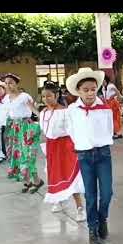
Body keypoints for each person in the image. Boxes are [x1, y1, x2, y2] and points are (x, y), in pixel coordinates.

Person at [65, 67, 114, 244]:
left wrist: (101, 142)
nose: (90, 93)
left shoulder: (104, 108)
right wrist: (80, 145)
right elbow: (70, 130)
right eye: (85, 90)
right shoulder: (72, 110)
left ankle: (103, 219)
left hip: (103, 153)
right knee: (91, 195)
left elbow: (110, 129)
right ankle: (92, 228)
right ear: (78, 91)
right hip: (84, 155)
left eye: (93, 89)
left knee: (107, 192)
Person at [37, 84, 86, 219]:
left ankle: (80, 207)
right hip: (51, 146)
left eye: (49, 96)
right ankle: (58, 200)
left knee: (70, 174)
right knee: (54, 173)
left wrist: (76, 146)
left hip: (65, 146)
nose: (46, 99)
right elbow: (44, 130)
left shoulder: (65, 111)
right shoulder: (43, 113)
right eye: (43, 96)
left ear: (56, 95)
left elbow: (72, 129)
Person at [4, 73, 44, 193]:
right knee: (17, 155)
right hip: (14, 128)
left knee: (27, 156)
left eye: (10, 82)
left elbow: (33, 110)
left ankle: (37, 181)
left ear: (16, 83)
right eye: (6, 83)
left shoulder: (24, 96)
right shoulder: (7, 98)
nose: (8, 85)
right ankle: (27, 181)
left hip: (26, 128)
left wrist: (46, 118)